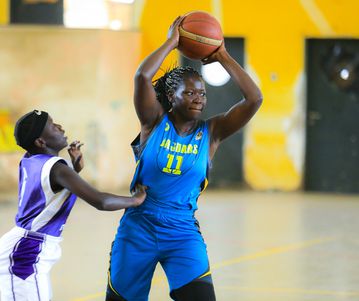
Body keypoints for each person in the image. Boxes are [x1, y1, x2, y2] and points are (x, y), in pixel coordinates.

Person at [106, 15, 263, 301]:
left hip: (181, 232)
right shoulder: (153, 123)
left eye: (202, 93)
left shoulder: (212, 132)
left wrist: (222, 55)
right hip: (138, 228)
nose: (199, 98)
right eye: (189, 92)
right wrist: (172, 41)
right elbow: (142, 76)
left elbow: (254, 99)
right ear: (171, 95)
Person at [0, 110, 146, 301]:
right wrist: (136, 199)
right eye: (52, 126)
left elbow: (50, 188)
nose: (60, 127)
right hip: (27, 254)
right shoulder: (57, 169)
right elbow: (101, 201)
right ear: (41, 142)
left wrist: (74, 168)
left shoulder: (29, 159)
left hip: (20, 244)